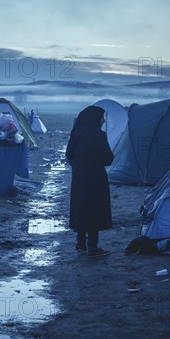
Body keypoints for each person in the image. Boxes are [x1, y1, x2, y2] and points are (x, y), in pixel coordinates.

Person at [66, 106, 114, 257]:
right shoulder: (98, 135)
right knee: (94, 209)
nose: (103, 120)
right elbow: (108, 159)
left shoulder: (77, 135)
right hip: (96, 178)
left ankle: (81, 243)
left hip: (79, 178)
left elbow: (69, 155)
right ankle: (92, 246)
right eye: (101, 117)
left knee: (81, 208)